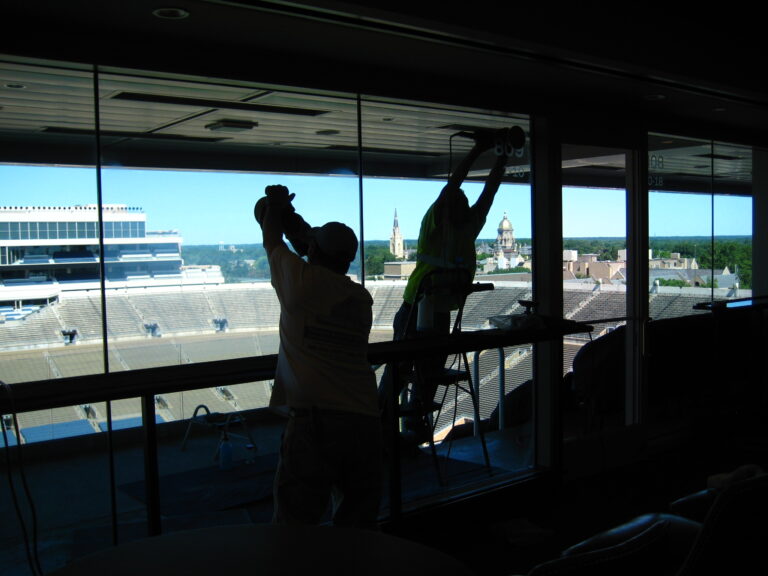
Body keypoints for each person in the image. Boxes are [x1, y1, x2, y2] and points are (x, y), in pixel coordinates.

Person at [254, 184, 382, 529]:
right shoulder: (360, 299)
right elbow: (318, 259)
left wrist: (278, 205)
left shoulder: (300, 284)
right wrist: (305, 235)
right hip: (363, 417)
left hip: (315, 422)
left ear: (312, 250)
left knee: (296, 523)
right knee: (357, 523)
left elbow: (271, 239)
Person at [378, 128, 517, 445]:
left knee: (413, 375)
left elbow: (484, 192)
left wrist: (495, 156)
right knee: (411, 375)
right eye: (459, 199)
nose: (462, 199)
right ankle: (392, 426)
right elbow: (468, 189)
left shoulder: (453, 225)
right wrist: (488, 155)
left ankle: (400, 428)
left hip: (425, 310)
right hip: (425, 310)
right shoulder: (449, 225)